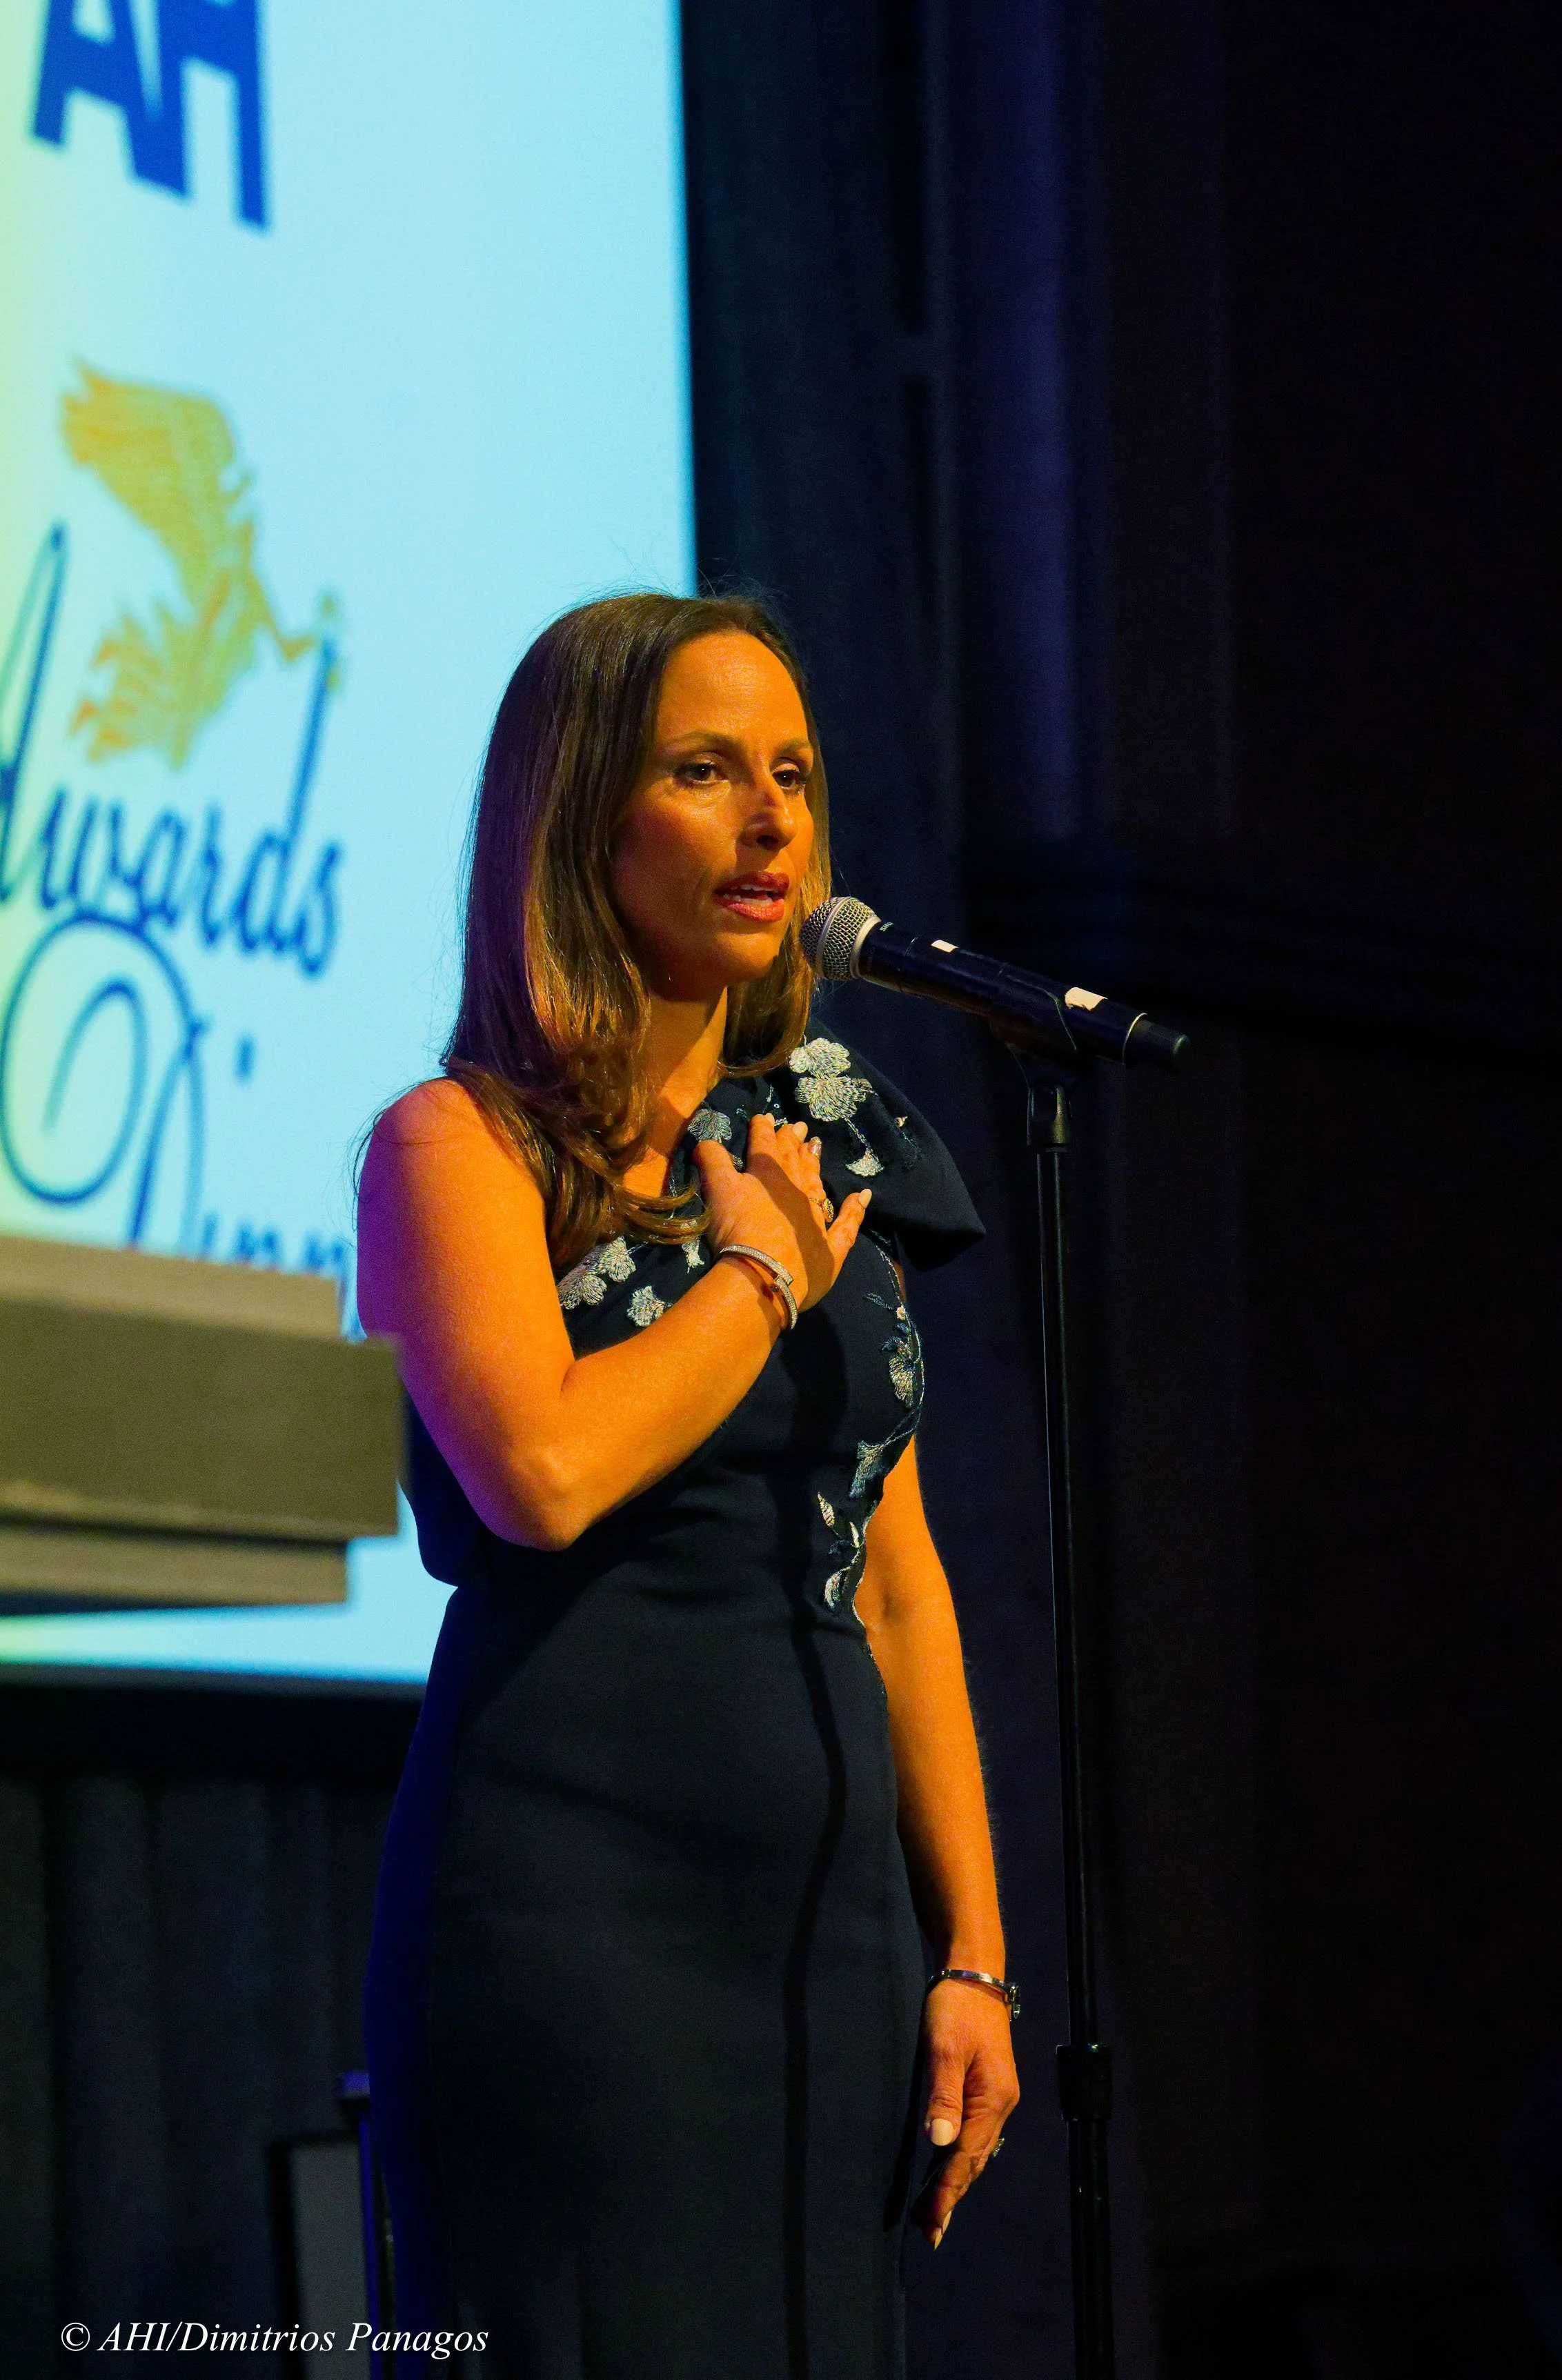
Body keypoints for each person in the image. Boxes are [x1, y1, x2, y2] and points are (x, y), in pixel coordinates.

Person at [357, 593, 1018, 2379]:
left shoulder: (822, 1150)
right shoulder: (462, 1147)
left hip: (829, 1940)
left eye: (792, 774)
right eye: (705, 769)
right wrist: (751, 1285)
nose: (770, 816)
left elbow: (898, 1583)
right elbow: (543, 1476)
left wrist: (973, 1955)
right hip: (576, 1933)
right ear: (582, 820)